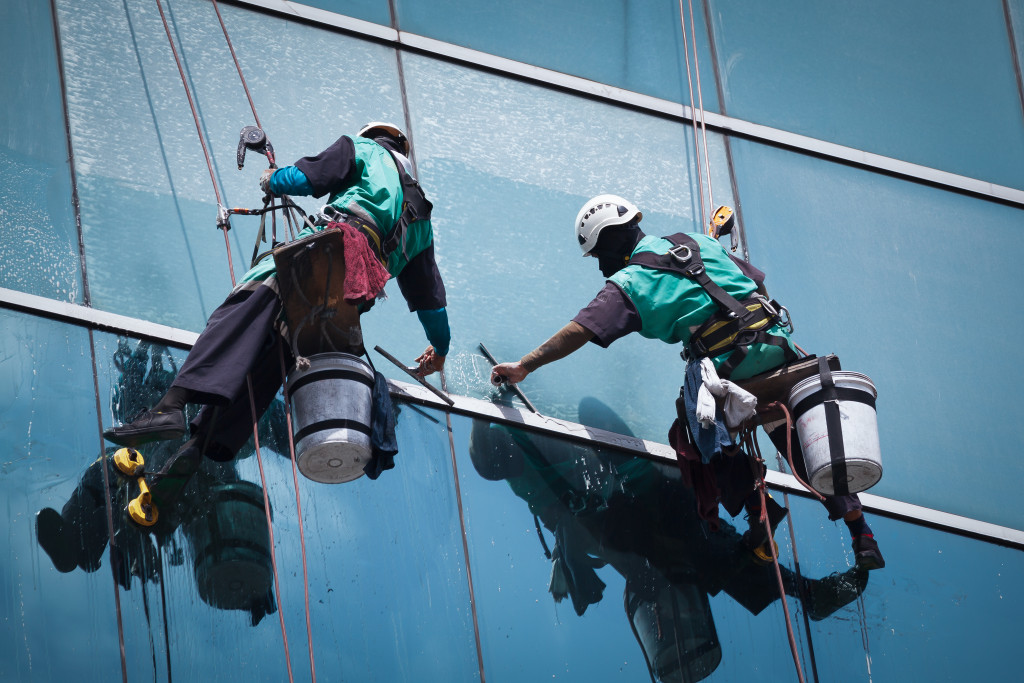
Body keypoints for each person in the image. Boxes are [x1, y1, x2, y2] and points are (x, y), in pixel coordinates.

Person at [490, 194, 884, 571]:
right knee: (800, 440)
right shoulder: (694, 241)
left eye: (599, 254)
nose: (600, 266)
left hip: (730, 368)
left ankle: (757, 514)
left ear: (612, 239)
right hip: (778, 348)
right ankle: (861, 531)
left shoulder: (630, 283)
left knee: (693, 432)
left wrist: (525, 366)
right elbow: (756, 285)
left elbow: (579, 330)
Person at [102, 122, 451, 489]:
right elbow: (431, 303)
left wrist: (273, 178)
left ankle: (170, 406)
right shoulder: (421, 218)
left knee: (243, 309)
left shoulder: (365, 149)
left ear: (374, 137)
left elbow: (308, 177)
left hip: (325, 251)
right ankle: (201, 443)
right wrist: (440, 349)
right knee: (275, 354)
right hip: (344, 303)